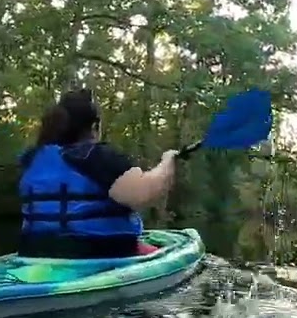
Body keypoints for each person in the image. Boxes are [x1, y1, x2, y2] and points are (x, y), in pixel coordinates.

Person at [17, 89, 179, 259]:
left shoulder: (31, 158)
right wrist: (167, 162)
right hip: (97, 252)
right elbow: (143, 193)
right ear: (94, 127)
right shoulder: (95, 156)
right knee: (164, 254)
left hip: (33, 251)